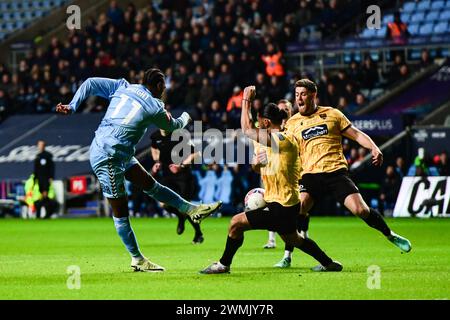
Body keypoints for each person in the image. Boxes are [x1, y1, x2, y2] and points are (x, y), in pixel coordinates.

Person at [56, 68, 222, 272]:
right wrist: (187, 116)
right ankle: (137, 259)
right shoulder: (155, 106)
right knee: (121, 212)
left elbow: (90, 82)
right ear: (160, 86)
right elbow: (174, 126)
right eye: (164, 86)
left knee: (151, 185)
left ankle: (192, 209)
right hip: (108, 156)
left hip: (117, 152)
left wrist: (73, 106)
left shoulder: (123, 86)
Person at [200, 86, 342, 274]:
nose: (257, 128)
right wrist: (256, 165)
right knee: (295, 239)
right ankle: (328, 263)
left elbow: (247, 129)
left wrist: (245, 100)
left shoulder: (284, 139)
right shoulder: (265, 142)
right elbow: (256, 162)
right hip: (282, 204)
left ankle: (223, 264)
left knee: (235, 223)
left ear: (266, 122)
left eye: (259, 124)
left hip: (282, 205)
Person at [272, 79, 412, 268]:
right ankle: (289, 255)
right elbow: (284, 148)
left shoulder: (332, 114)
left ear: (313, 95)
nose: (299, 99)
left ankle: (389, 234)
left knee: (361, 210)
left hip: (335, 173)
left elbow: (355, 134)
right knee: (295, 212)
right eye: (296, 95)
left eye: (303, 94)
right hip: (310, 175)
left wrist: (374, 147)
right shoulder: (292, 123)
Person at [150, 128, 204, 244]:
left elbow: (196, 153)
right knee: (163, 204)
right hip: (167, 176)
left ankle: (198, 234)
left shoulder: (180, 135)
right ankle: (180, 216)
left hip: (183, 176)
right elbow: (154, 150)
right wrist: (157, 162)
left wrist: (182, 165)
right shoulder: (155, 136)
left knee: (185, 206)